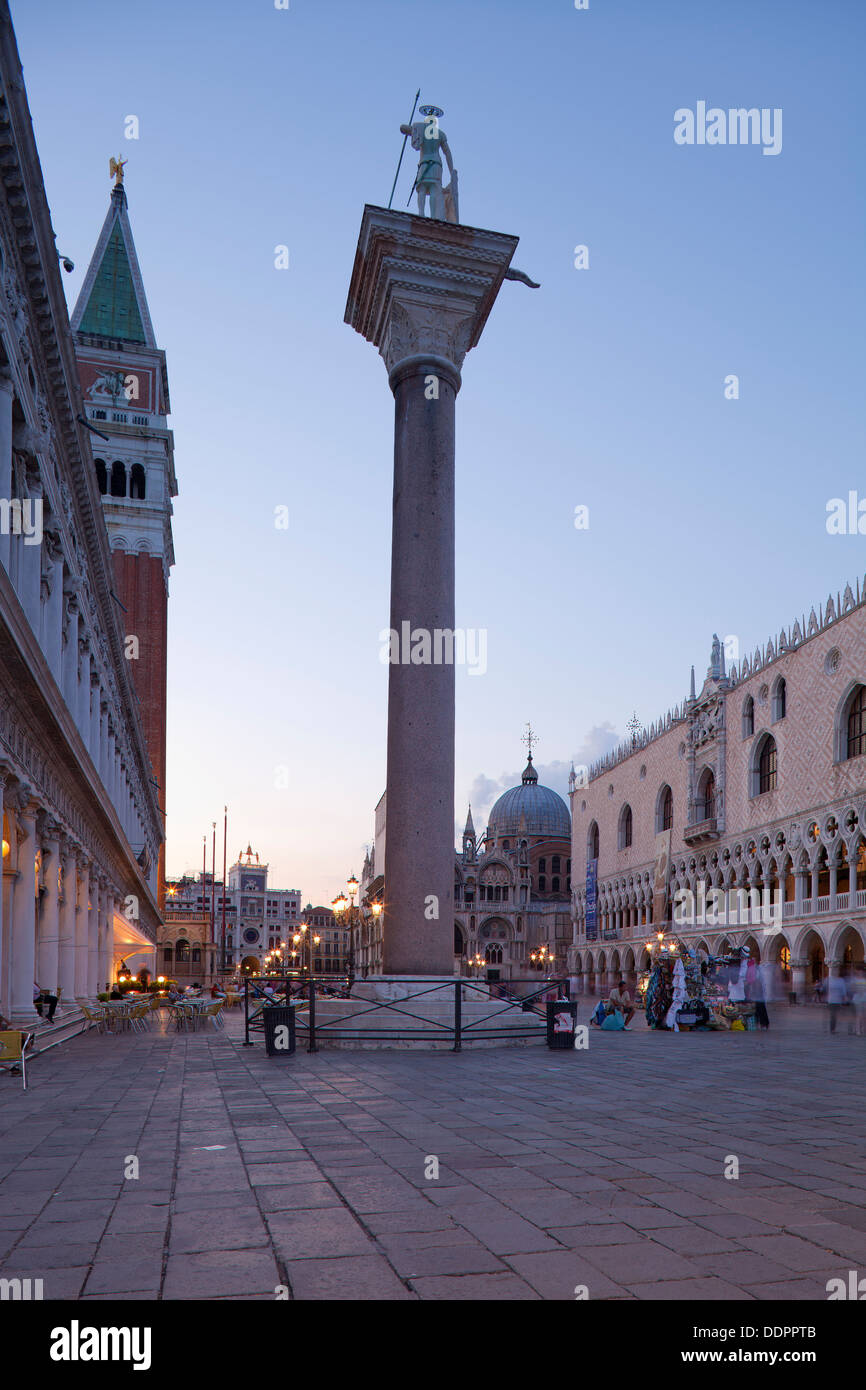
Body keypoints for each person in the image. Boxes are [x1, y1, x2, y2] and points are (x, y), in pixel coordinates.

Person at [851, 966, 866, 1037]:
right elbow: (852, 989)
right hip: (857, 999)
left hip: (864, 998)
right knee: (859, 1015)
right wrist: (858, 991)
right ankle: (858, 1030)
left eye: (862, 972)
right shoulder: (855, 980)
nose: (861, 973)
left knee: (864, 1016)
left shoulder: (864, 980)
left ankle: (863, 1029)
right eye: (859, 972)